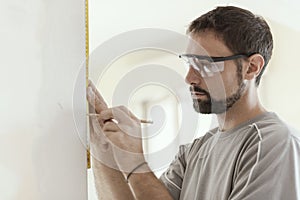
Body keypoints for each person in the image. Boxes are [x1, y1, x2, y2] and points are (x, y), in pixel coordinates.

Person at [87, 6, 300, 200]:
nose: (189, 77)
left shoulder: (273, 142)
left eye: (206, 64)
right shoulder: (193, 152)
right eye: (189, 62)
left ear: (252, 67)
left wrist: (136, 163)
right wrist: (102, 147)